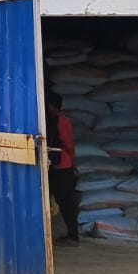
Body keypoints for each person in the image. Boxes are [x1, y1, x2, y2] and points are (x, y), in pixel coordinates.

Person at [46, 93, 81, 246]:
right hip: (52, 167)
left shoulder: (62, 121)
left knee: (65, 203)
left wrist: (71, 160)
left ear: (53, 106)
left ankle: (73, 236)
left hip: (63, 167)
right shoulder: (50, 121)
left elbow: (68, 144)